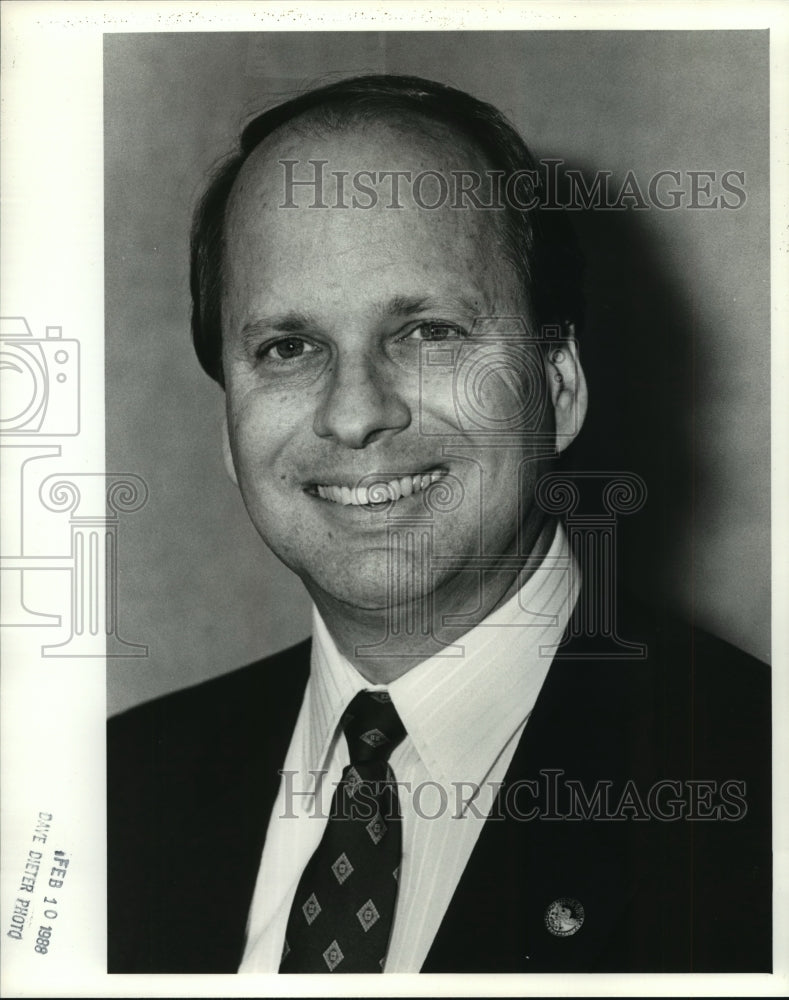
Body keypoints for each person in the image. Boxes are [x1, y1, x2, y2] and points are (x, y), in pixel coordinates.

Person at [107, 74, 771, 974]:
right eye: (287, 348)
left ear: (559, 386)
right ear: (229, 428)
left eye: (426, 332)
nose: (353, 414)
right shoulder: (108, 796)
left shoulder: (755, 793)